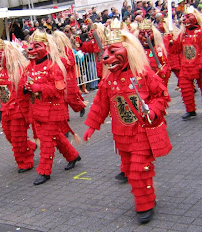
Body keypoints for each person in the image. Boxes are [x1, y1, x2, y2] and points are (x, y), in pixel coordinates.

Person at [83, 20, 172, 223]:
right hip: (121, 135)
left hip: (142, 132)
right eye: (106, 52)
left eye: (114, 51)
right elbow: (100, 105)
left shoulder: (143, 73)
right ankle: (148, 196)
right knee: (132, 172)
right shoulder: (108, 80)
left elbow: (162, 96)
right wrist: (90, 127)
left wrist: (154, 111)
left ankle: (145, 205)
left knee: (139, 169)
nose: (106, 57)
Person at [25, 30, 81, 185]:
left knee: (47, 141)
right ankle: (73, 156)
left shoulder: (53, 66)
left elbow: (58, 90)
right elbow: (29, 83)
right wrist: (27, 88)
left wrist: (37, 87)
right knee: (56, 136)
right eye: (31, 45)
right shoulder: (31, 67)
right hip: (38, 109)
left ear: (46, 47)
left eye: (37, 45)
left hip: (53, 110)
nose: (31, 49)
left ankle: (44, 171)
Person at [0, 40, 36, 173]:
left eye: (0, 54)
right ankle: (30, 146)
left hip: (18, 110)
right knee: (9, 135)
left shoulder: (21, 70)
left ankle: (25, 161)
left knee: (17, 138)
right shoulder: (0, 72)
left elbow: (28, 87)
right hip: (6, 110)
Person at [169, 6, 202, 120]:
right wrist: (170, 41)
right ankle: (190, 110)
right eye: (184, 17)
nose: (185, 20)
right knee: (185, 88)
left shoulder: (200, 32)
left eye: (188, 17)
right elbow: (174, 50)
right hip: (186, 67)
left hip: (199, 66)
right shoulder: (182, 34)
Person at [53, 31, 87, 117]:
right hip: (59, 77)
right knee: (61, 98)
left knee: (71, 97)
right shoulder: (55, 52)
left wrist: (60, 61)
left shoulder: (68, 50)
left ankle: (80, 107)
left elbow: (71, 62)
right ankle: (65, 116)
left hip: (69, 77)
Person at [135, 19, 171, 86]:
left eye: (149, 34)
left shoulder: (159, 49)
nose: (146, 37)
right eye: (142, 34)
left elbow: (165, 64)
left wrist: (163, 71)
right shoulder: (136, 51)